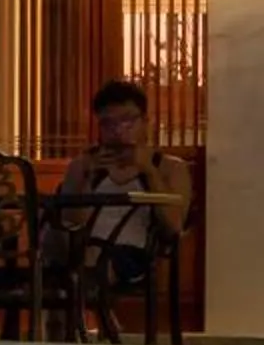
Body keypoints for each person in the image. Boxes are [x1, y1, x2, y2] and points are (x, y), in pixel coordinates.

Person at [56, 79, 194, 323]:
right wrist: (87, 178)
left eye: (128, 121)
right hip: (82, 250)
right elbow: (68, 222)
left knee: (86, 269)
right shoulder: (83, 165)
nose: (118, 131)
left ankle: (97, 324)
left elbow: (173, 226)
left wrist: (148, 172)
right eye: (108, 124)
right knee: (58, 262)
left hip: (133, 255)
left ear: (146, 123)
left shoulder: (169, 167)